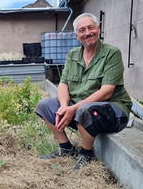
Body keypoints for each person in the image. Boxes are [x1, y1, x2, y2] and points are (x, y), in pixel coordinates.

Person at [34, 13, 132, 170]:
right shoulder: (72, 55)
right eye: (82, 30)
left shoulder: (111, 53)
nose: (87, 33)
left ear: (98, 29)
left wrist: (73, 108)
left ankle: (86, 154)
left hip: (113, 110)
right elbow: (63, 84)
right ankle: (66, 148)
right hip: (82, 109)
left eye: (91, 27)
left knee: (83, 109)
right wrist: (65, 106)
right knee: (44, 105)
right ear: (77, 36)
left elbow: (107, 91)